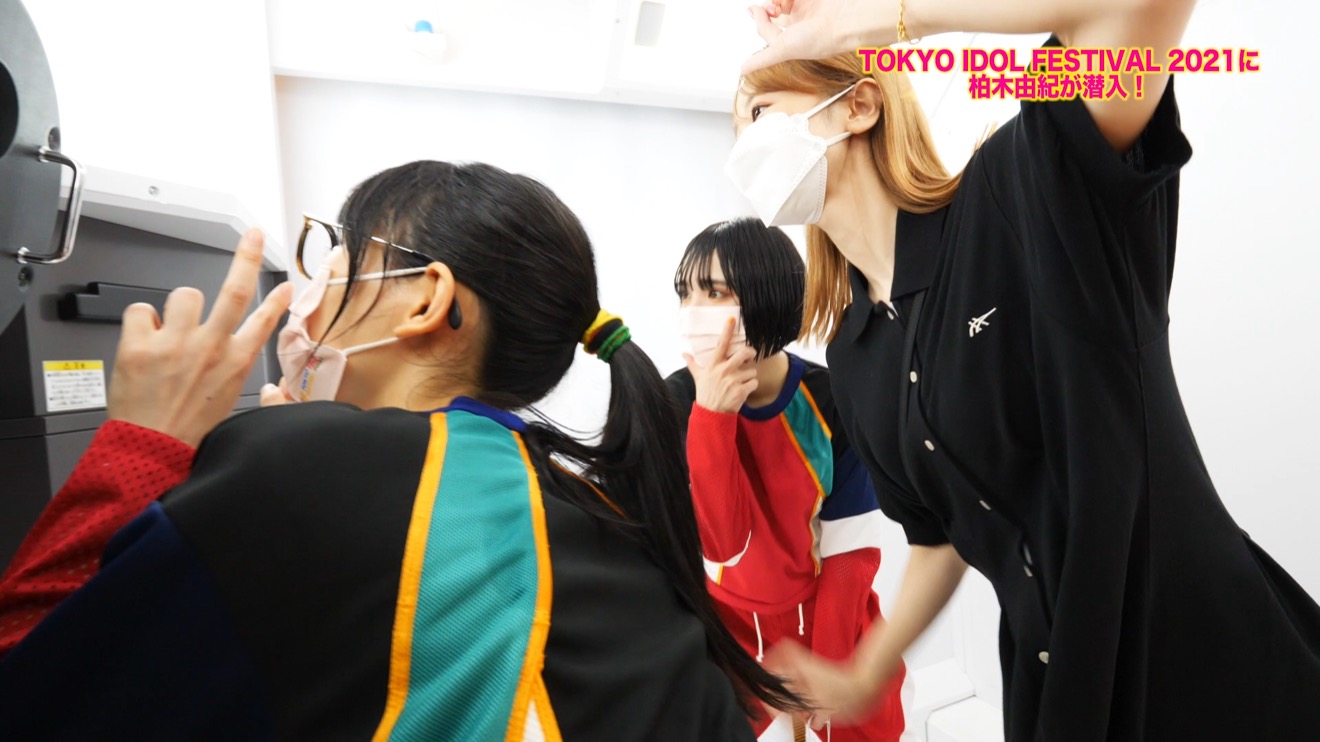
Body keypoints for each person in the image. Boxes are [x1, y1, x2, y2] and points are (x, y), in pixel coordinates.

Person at [0, 160, 804, 739]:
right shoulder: (570, 494)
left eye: (340, 260)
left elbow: (29, 695)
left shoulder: (311, 473)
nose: (313, 295)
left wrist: (144, 444)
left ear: (428, 299)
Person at [722, 1, 1320, 741]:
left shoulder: (1025, 188)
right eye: (737, 127)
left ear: (859, 106)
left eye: (761, 111)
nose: (745, 145)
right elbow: (941, 536)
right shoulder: (856, 355)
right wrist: (867, 671)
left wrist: (873, 20)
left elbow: (1126, 9)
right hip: (1058, 688)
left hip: (1203, 659)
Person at [665, 218, 905, 741]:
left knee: (866, 726)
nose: (692, 311)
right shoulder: (677, 403)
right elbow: (723, 547)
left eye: (714, 292)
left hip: (829, 612)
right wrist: (712, 418)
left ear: (766, 296)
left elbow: (850, 550)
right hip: (730, 628)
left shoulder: (830, 400)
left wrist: (830, 667)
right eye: (685, 293)